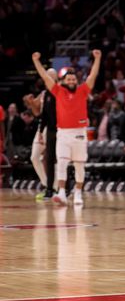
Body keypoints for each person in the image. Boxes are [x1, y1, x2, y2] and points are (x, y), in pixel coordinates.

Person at [31, 50, 102, 206]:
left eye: (73, 79)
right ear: (63, 81)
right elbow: (45, 76)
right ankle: (61, 193)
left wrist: (97, 58)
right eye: (68, 79)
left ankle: (78, 193)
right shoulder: (58, 91)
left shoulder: (83, 90)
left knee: (79, 164)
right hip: (62, 133)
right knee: (61, 163)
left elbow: (93, 75)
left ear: (76, 81)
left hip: (79, 133)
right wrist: (36, 61)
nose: (71, 81)